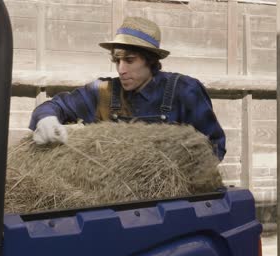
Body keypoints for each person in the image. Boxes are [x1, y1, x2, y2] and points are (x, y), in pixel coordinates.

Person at [29, 16, 226, 161]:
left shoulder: (185, 91)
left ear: (150, 61)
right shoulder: (103, 91)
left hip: (171, 200)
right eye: (117, 61)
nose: (121, 69)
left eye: (130, 61)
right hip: (118, 200)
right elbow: (57, 105)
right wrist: (47, 118)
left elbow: (215, 146)